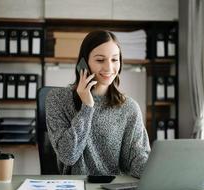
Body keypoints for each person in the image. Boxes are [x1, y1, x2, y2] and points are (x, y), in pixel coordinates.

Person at [46, 30, 150, 178]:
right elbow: (68, 155)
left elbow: (136, 159)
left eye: (114, 60)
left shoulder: (129, 108)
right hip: (74, 189)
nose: (109, 68)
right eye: (100, 60)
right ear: (84, 63)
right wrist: (87, 107)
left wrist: (162, 170)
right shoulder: (57, 99)